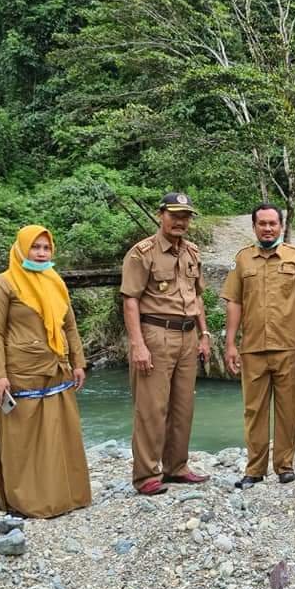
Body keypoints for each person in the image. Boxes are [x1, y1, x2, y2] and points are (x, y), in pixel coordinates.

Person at [0, 225, 91, 518]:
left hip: (57, 369)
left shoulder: (55, 281)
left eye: (46, 248)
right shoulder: (2, 285)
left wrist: (78, 362)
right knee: (24, 438)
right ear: (21, 248)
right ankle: (25, 502)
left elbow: (69, 325)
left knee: (60, 435)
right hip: (21, 373)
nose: (41, 253)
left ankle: (67, 496)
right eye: (35, 247)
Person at [121, 193, 212, 496]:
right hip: (155, 333)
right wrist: (137, 344)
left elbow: (197, 296)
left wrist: (204, 334)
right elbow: (130, 300)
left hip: (188, 335)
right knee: (152, 407)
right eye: (174, 215)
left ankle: (177, 467)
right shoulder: (142, 253)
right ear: (161, 214)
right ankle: (146, 474)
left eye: (185, 217)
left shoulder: (192, 252)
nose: (180, 222)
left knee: (183, 406)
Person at [223, 203, 295, 488]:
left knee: (289, 410)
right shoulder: (242, 259)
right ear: (254, 227)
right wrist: (230, 343)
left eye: (272, 223)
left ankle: (285, 466)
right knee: (254, 411)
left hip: (289, 347)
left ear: (280, 226)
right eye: (262, 223)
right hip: (252, 348)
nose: (267, 228)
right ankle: (254, 469)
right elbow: (234, 302)